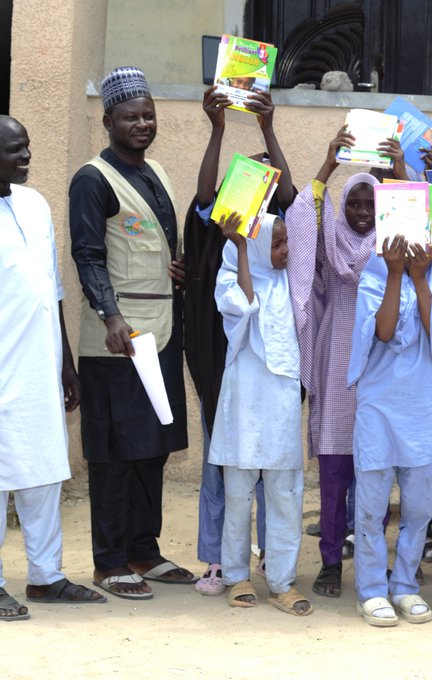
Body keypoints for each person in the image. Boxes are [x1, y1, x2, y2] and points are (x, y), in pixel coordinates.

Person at [68, 67, 194, 599]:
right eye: (130, 117)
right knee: (115, 450)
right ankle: (109, 561)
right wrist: (110, 316)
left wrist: (179, 267)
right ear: (107, 122)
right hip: (118, 340)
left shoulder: (158, 172)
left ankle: (144, 550)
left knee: (153, 447)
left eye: (148, 115)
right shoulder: (92, 179)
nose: (142, 124)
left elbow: (156, 247)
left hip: (163, 331)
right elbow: (88, 255)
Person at [286, 126, 407, 598]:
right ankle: (331, 561)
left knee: (378, 477)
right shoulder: (329, 240)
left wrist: (399, 174)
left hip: (381, 367)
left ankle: (378, 565)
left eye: (370, 207)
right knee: (335, 478)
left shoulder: (394, 243)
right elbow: (303, 216)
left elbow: (425, 228)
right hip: (338, 368)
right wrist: (329, 161)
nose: (360, 214)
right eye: (353, 204)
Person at [187, 84, 296, 596]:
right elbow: (206, 199)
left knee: (277, 480)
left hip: (271, 377)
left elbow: (295, 202)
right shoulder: (222, 233)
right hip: (221, 352)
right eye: (248, 180)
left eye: (265, 183)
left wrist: (269, 127)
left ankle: (277, 572)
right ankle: (223, 566)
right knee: (227, 469)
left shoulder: (287, 251)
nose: (258, 192)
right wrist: (219, 128)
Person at [0, 115, 107, 621]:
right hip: (2, 369)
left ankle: (46, 577)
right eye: (14, 150)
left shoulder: (36, 204)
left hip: (40, 365)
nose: (25, 158)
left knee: (42, 473)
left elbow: (53, 289)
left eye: (27, 148)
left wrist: (65, 363)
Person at [347, 237, 432, 627]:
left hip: (424, 406)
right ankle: (372, 590)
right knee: (372, 507)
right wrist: (396, 274)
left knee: (418, 509)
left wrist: (420, 277)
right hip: (379, 406)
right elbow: (384, 331)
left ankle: (405, 585)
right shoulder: (374, 275)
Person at [209, 212, 309, 616]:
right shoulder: (231, 273)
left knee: (285, 495)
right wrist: (239, 248)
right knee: (238, 497)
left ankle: (282, 582)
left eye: (286, 243)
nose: (285, 252)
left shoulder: (293, 281)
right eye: (276, 244)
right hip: (244, 402)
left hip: (281, 402)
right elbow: (245, 305)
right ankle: (236, 576)